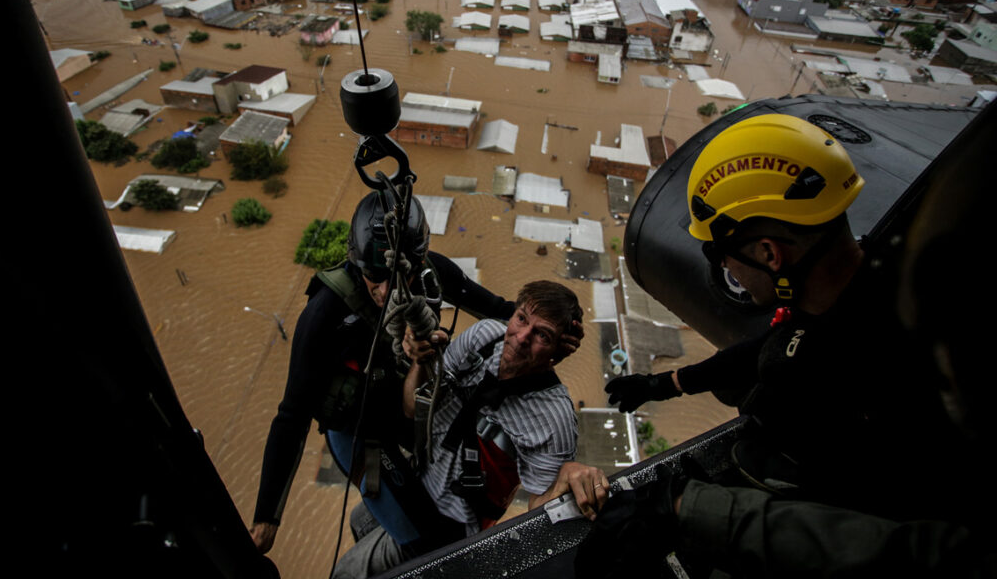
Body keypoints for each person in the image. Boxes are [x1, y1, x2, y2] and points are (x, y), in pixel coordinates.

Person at [577, 107, 997, 578]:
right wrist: (665, 383)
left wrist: (691, 511)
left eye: (719, 254)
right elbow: (770, 347)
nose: (725, 270)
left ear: (768, 253)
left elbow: (865, 534)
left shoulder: (881, 376)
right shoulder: (853, 292)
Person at [251, 191, 581, 557]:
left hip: (410, 414)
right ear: (356, 263)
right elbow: (292, 415)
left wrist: (560, 334)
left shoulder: (430, 274)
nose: (386, 290)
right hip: (359, 430)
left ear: (419, 259)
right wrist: (267, 518)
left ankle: (376, 530)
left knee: (429, 518)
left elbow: (502, 312)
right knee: (428, 546)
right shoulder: (325, 312)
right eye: (375, 276)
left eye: (401, 275)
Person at [334, 280, 609, 578]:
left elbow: (539, 514)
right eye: (521, 319)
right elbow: (413, 409)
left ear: (558, 351)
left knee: (347, 573)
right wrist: (420, 361)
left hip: (448, 527)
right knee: (361, 521)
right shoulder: (483, 338)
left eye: (542, 335)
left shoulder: (554, 418)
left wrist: (565, 478)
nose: (521, 338)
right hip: (417, 478)